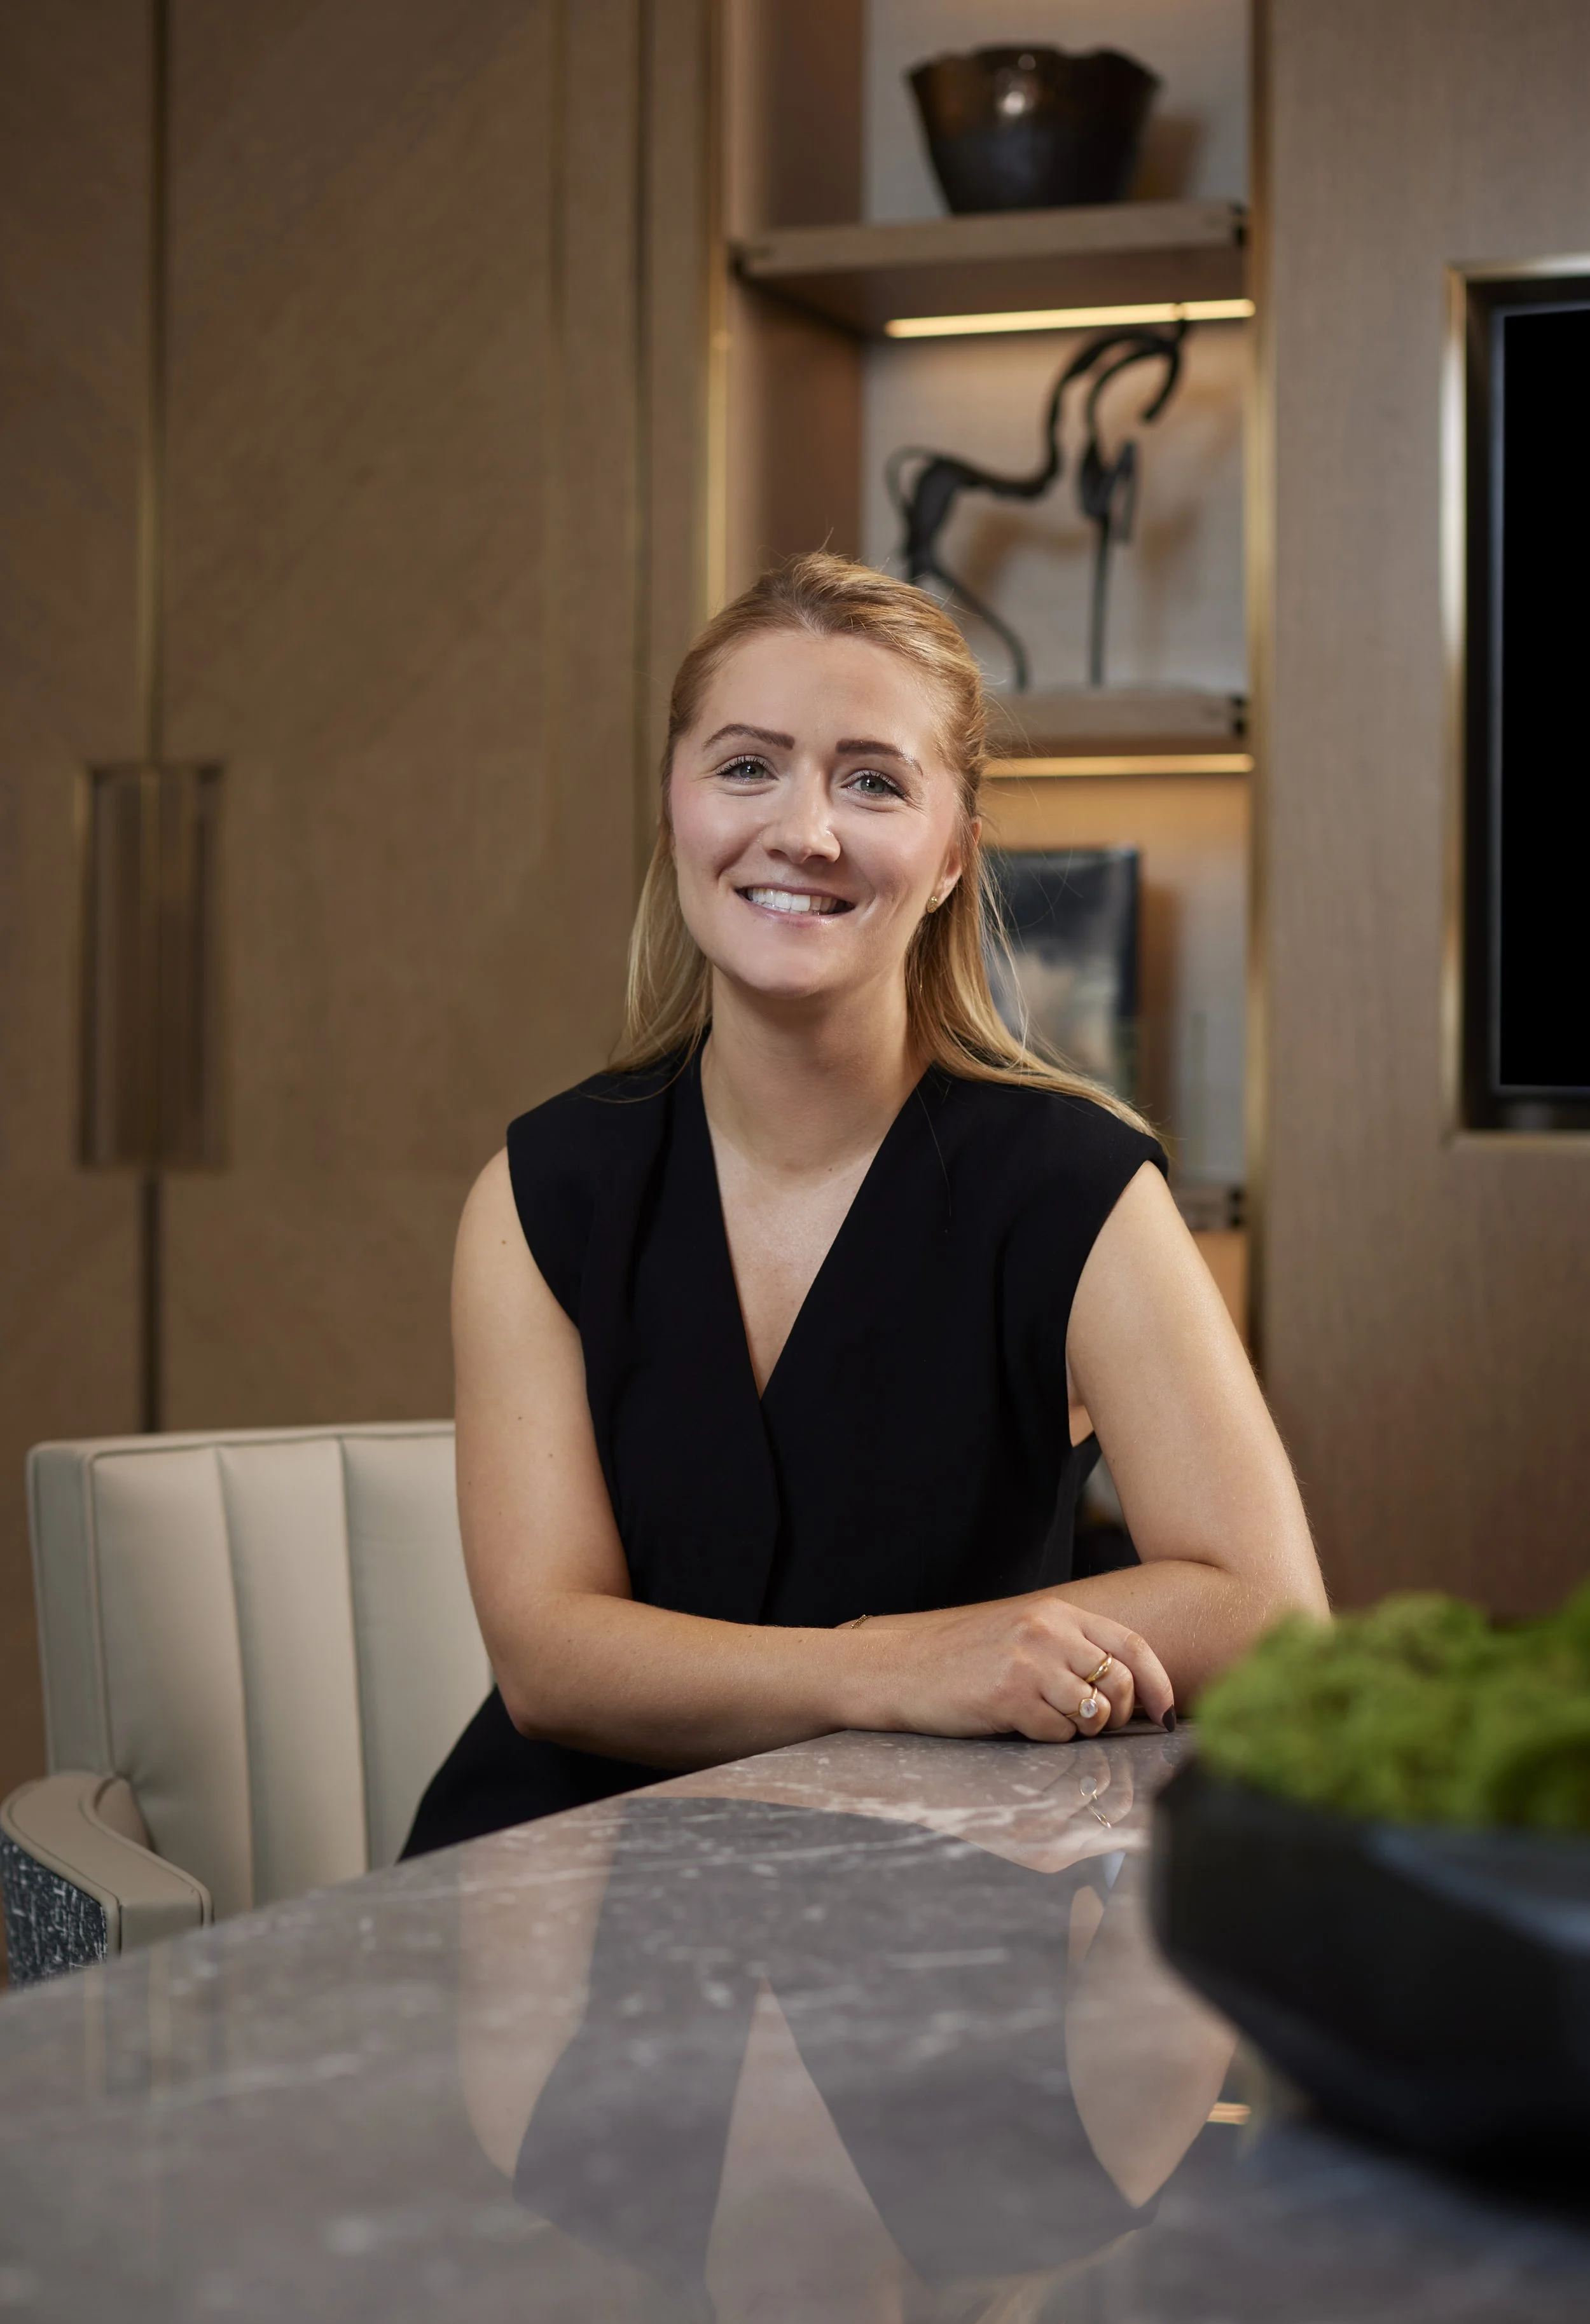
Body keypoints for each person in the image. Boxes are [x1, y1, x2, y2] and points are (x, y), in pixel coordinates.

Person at [403, 554, 1325, 1857]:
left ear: (953, 851)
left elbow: (1268, 1612)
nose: (805, 830)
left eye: (873, 781)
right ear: (672, 807)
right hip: (561, 1874)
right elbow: (549, 1658)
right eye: (744, 766)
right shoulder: (537, 1190)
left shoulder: (1075, 1186)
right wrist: (892, 1668)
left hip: (928, 1890)